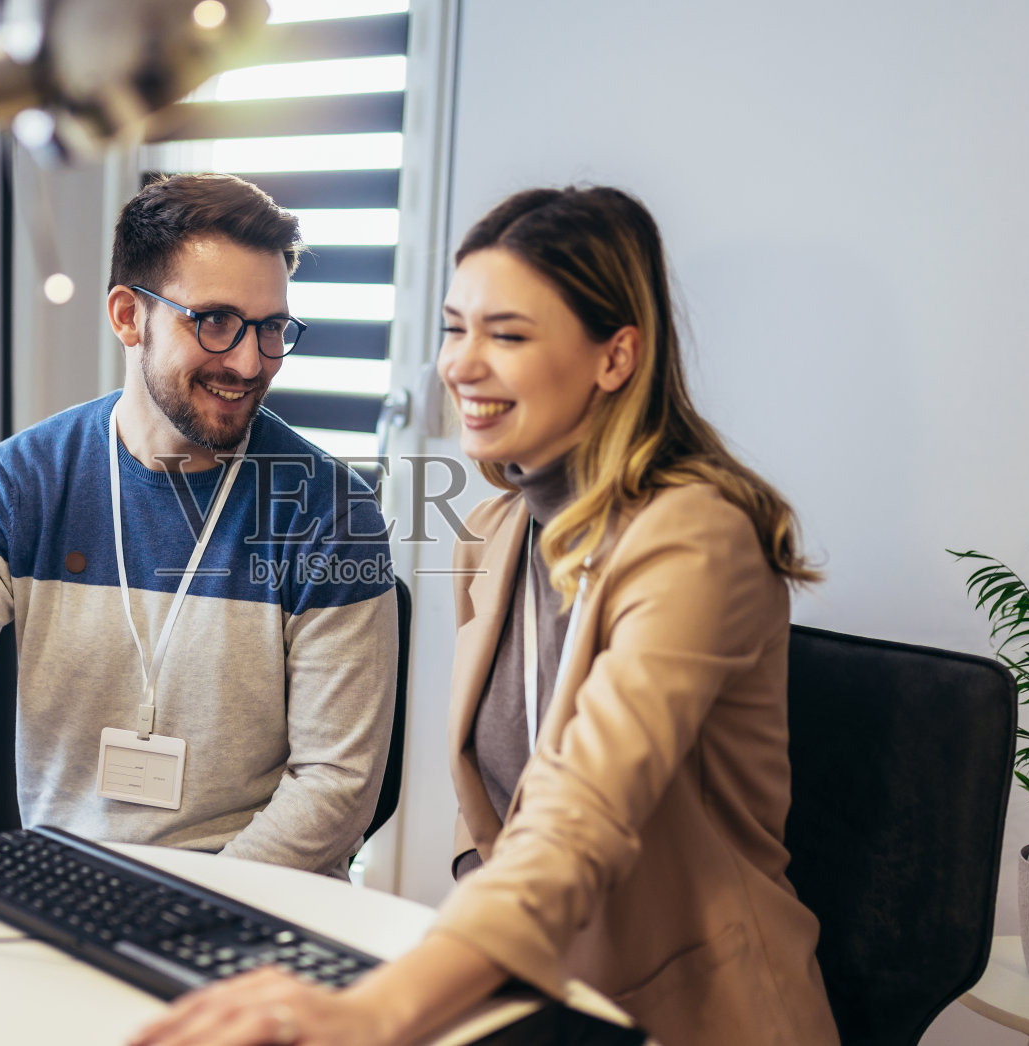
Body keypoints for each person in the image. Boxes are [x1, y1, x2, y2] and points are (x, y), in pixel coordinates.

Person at [130, 186, 839, 1046]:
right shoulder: (498, 534)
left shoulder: (697, 536)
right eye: (455, 327)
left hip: (687, 1012)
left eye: (506, 334)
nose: (461, 364)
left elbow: (578, 815)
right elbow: (495, 817)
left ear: (616, 357)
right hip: (538, 987)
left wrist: (381, 1010)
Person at [0, 173, 398, 880]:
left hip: (260, 905)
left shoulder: (329, 512)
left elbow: (335, 788)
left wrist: (187, 906)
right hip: (64, 890)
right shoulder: (19, 486)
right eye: (214, 321)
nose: (248, 361)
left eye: (271, 329)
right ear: (126, 316)